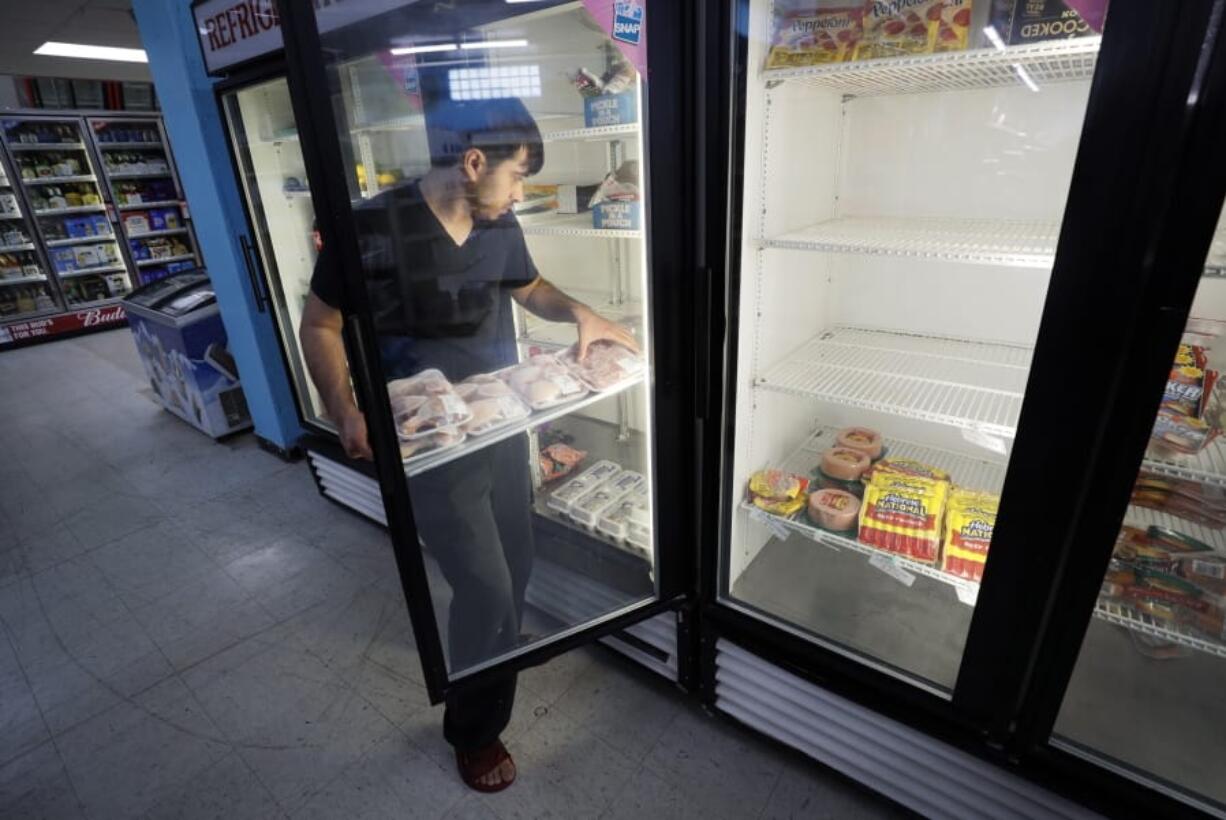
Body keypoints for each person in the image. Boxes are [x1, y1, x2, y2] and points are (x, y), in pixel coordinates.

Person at [299, 97, 637, 792]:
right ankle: (474, 731)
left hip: (501, 423)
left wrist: (580, 312)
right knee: (484, 584)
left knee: (517, 557)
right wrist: (344, 409)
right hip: (428, 443)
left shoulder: (496, 219)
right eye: (515, 176)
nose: (519, 194)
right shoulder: (370, 226)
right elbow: (321, 325)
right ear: (473, 161)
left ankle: (493, 652)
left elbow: (528, 284)